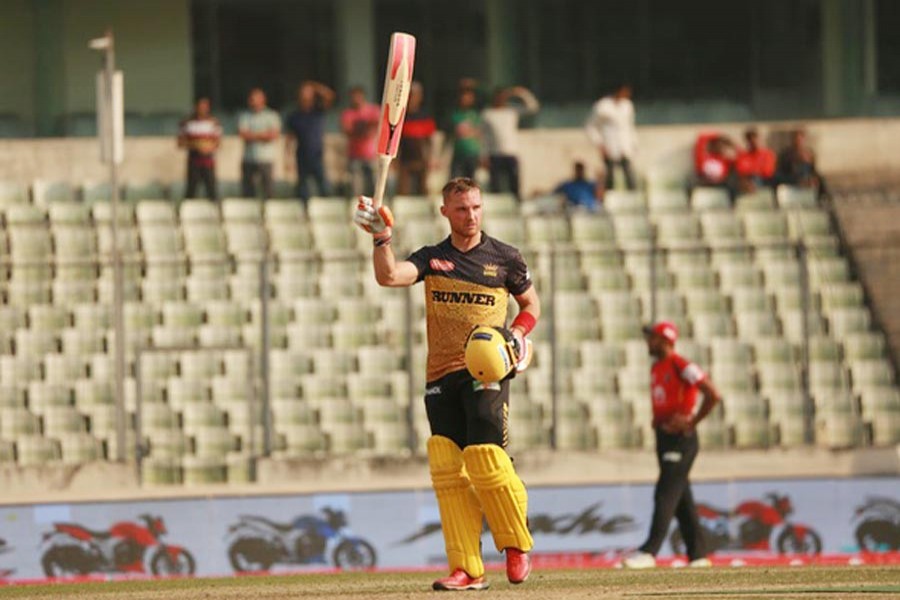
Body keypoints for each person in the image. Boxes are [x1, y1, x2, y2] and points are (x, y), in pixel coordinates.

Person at [353, 177, 539, 591]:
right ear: (445, 212)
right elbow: (390, 276)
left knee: (486, 459)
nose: (470, 216)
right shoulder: (433, 258)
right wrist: (381, 238)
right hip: (440, 375)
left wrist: (519, 335)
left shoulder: (505, 257)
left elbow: (531, 304)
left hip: (486, 372)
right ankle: (468, 569)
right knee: (447, 470)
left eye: (475, 207)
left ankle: (514, 542)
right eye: (461, 209)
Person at [622, 321, 722, 570]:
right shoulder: (657, 367)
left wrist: (692, 421)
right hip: (664, 438)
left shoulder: (681, 365)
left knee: (665, 492)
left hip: (681, 439)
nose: (649, 342)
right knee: (681, 498)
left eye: (653, 338)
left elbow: (712, 394)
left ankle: (649, 551)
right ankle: (698, 555)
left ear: (666, 340)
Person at [481, 86, 540, 198]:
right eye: (499, 97)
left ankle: (516, 204)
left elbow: (533, 108)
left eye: (503, 97)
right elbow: (485, 137)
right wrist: (484, 155)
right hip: (495, 154)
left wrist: (522, 93)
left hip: (511, 152)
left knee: (514, 183)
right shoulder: (488, 114)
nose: (501, 100)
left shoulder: (512, 111)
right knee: (496, 185)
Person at [284, 80, 335, 201]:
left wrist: (315, 87)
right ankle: (305, 213)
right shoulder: (294, 115)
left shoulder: (318, 110)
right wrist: (287, 159)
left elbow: (330, 96)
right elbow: (289, 138)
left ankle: (327, 210)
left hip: (317, 154)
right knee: (302, 189)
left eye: (308, 93)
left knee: (324, 187)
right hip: (301, 155)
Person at [585, 84, 637, 191]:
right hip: (609, 146)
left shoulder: (627, 106)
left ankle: (632, 199)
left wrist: (633, 144)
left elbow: (630, 126)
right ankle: (610, 200)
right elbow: (591, 127)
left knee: (629, 175)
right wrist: (600, 145)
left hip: (625, 146)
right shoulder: (602, 106)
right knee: (610, 177)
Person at [238, 88, 281, 199]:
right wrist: (263, 135)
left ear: (263, 100)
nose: (252, 101)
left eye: (255, 99)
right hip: (248, 159)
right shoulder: (245, 116)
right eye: (251, 99)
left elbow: (273, 135)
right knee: (248, 192)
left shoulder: (271, 115)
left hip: (266, 159)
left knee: (268, 190)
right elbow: (243, 135)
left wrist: (253, 135)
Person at [177, 97, 222, 201]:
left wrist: (208, 148)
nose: (202, 109)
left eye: (205, 107)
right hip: (194, 160)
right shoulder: (187, 123)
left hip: (208, 161)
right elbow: (180, 142)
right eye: (200, 106)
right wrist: (196, 145)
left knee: (211, 189)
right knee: (191, 189)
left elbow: (217, 142)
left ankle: (213, 211)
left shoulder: (213, 122)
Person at [397, 81, 437, 195]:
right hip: (404, 160)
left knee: (423, 190)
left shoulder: (425, 116)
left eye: (414, 95)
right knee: (403, 191)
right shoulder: (400, 116)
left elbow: (430, 140)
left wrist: (431, 158)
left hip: (421, 159)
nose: (411, 98)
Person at [340, 86, 380, 196]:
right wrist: (365, 127)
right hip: (355, 155)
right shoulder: (348, 114)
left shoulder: (373, 110)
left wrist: (360, 128)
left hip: (371, 154)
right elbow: (347, 131)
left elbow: (375, 128)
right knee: (356, 187)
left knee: (374, 185)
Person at [776, 128, 828, 198]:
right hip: (791, 177)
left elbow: (813, 170)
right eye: (796, 139)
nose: (798, 142)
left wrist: (814, 178)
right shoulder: (786, 154)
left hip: (806, 177)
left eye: (800, 140)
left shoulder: (808, 153)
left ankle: (823, 199)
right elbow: (782, 172)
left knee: (820, 180)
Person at [447, 87, 483, 180]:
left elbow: (479, 133)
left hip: (472, 152)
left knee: (470, 179)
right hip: (459, 152)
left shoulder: (475, 115)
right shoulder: (455, 115)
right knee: (456, 178)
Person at [734, 127, 776, 193]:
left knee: (756, 179)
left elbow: (768, 172)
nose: (753, 142)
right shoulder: (743, 156)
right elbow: (741, 171)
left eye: (755, 138)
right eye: (750, 139)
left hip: (764, 181)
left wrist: (753, 171)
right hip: (746, 181)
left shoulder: (767, 154)